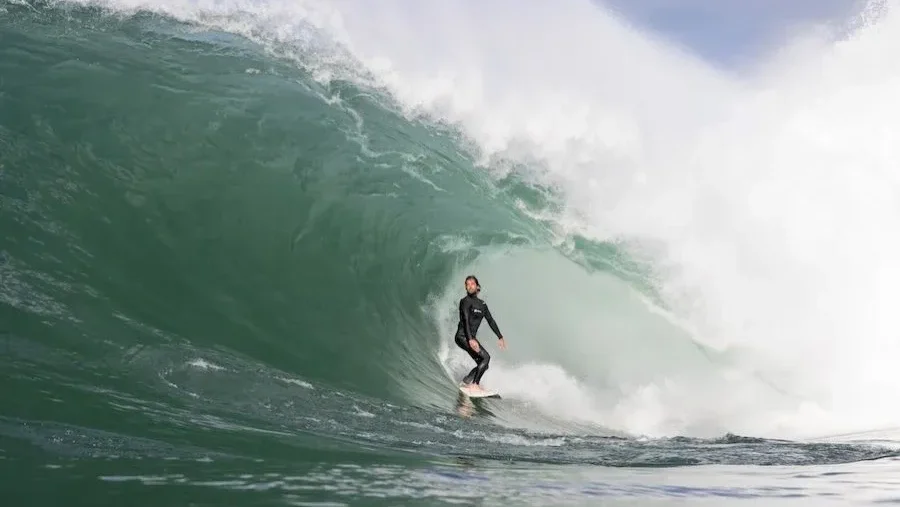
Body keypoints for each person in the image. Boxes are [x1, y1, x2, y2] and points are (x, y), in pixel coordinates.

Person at [455, 275, 507, 393]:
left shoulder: (482, 304)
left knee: (484, 364)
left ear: (477, 286)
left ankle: (467, 381)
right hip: (462, 336)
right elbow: (465, 320)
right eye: (467, 284)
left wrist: (500, 336)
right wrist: (470, 339)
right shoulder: (465, 302)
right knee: (486, 357)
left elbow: (490, 320)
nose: (469, 286)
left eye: (472, 283)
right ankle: (475, 384)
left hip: (470, 338)